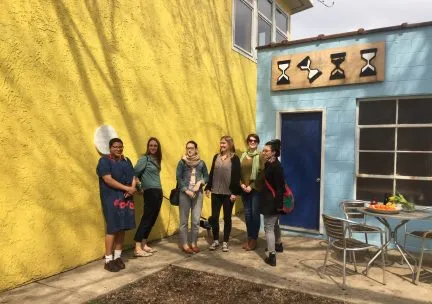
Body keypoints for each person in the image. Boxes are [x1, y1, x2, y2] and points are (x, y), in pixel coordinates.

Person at [96, 138, 137, 272]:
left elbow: (133, 177)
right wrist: (127, 189)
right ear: (110, 148)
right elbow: (108, 179)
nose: (118, 149)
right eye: (115, 147)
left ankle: (118, 256)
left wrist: (132, 188)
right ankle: (108, 260)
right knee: (113, 228)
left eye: (120, 147)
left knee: (122, 227)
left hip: (126, 198)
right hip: (111, 198)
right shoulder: (104, 161)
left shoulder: (127, 161)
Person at [205, 135, 241, 252]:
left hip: (228, 193)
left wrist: (235, 193)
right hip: (215, 191)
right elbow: (212, 173)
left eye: (224, 143)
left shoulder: (235, 158)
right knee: (214, 218)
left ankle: (225, 242)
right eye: (221, 143)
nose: (222, 145)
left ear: (230, 145)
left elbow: (236, 176)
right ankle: (216, 240)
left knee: (227, 218)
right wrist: (208, 187)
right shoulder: (216, 157)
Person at [176, 140, 209, 254]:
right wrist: (186, 190)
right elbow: (179, 178)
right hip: (185, 194)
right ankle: (185, 244)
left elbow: (206, 177)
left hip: (198, 194)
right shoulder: (182, 163)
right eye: (187, 148)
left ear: (196, 149)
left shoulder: (201, 163)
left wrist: (201, 183)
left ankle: (193, 243)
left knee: (195, 221)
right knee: (184, 222)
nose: (189, 150)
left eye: (191, 148)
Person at [133, 137, 163, 257]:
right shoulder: (144, 159)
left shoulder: (156, 160)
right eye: (151, 145)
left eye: (155, 145)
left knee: (152, 219)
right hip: (150, 192)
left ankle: (144, 244)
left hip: (158, 192)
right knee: (146, 218)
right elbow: (134, 174)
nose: (153, 147)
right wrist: (140, 188)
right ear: (148, 147)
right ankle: (137, 247)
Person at [260, 139, 285, 266]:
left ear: (273, 152)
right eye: (263, 150)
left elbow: (280, 188)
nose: (263, 152)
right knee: (275, 225)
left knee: (268, 228)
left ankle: (272, 256)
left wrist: (279, 206)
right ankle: (278, 244)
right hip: (270, 200)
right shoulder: (269, 163)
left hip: (272, 202)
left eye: (266, 150)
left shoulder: (277, 167)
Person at [240, 133, 263, 251]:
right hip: (244, 189)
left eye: (254, 141)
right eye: (250, 140)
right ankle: (249, 237)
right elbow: (238, 171)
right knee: (247, 214)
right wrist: (242, 184)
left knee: (255, 214)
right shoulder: (243, 155)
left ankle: (254, 239)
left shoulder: (260, 156)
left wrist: (252, 186)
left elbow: (262, 174)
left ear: (257, 142)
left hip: (255, 190)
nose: (252, 142)